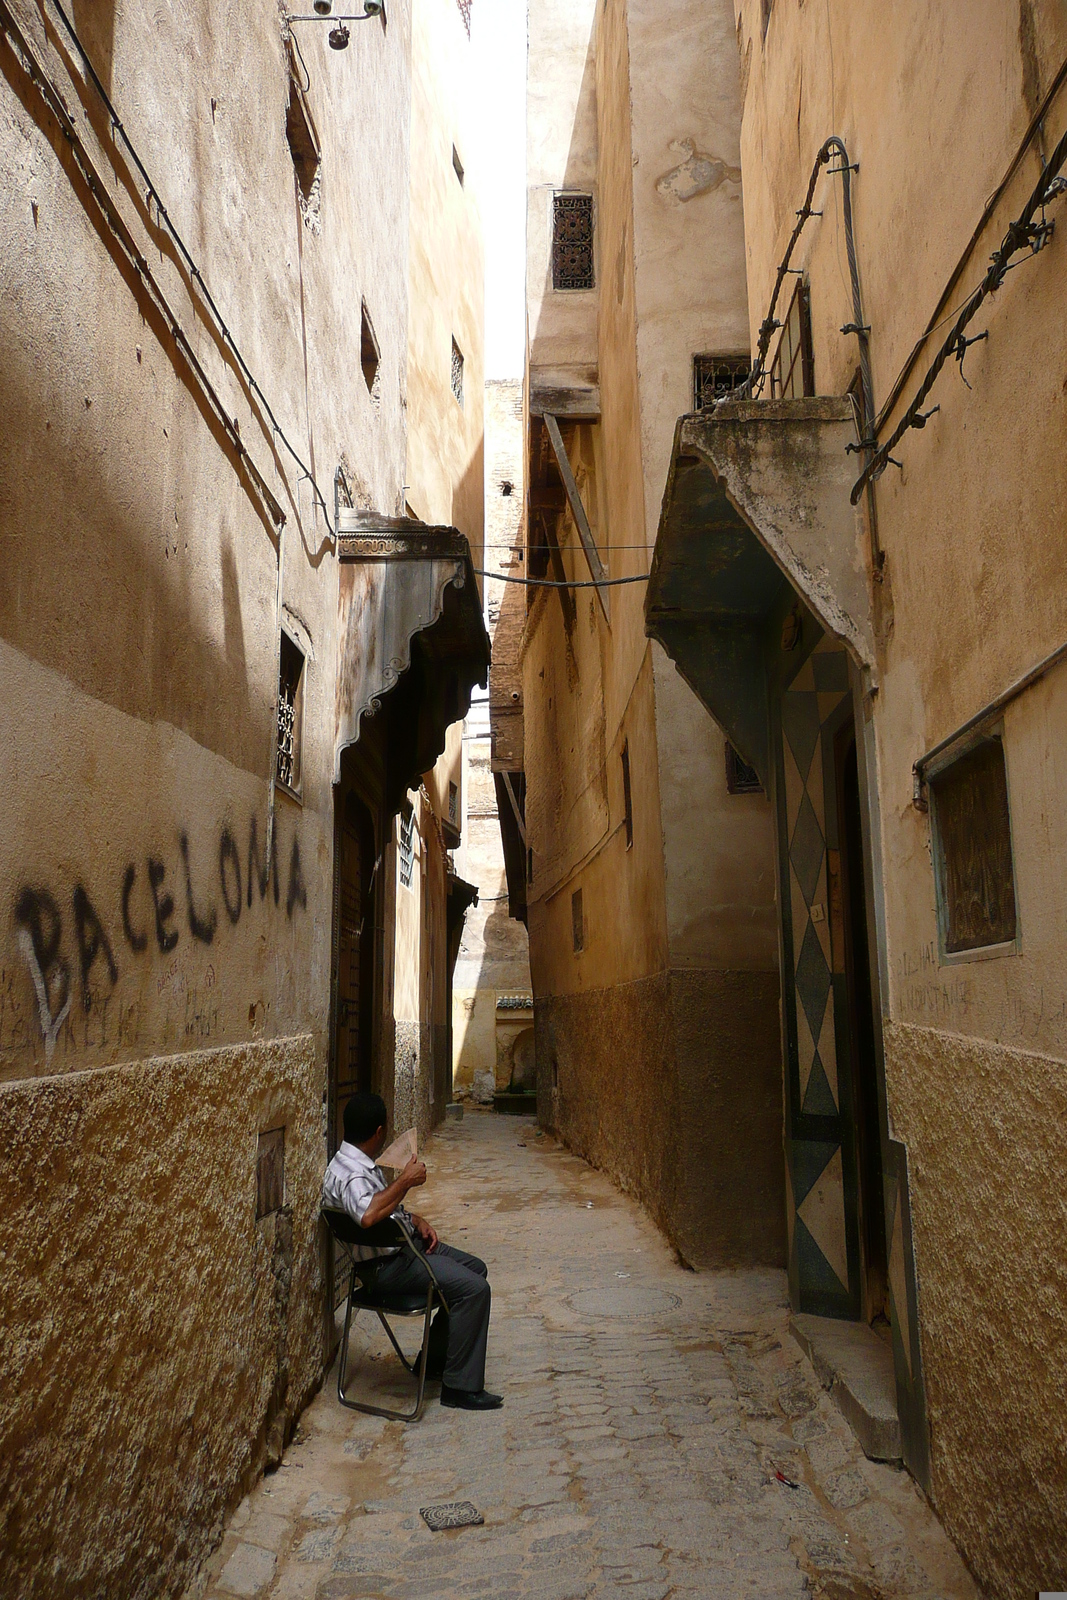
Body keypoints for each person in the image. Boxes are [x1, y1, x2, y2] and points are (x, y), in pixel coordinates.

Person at [322, 1091, 503, 1412]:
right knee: (475, 1290)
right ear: (379, 1132)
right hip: (388, 1267)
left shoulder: (347, 1161)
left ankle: (433, 1363)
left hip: (403, 1249)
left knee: (475, 1268)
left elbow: (381, 1209)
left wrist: (414, 1219)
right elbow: (367, 1215)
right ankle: (459, 1388)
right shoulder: (351, 1174)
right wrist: (404, 1181)